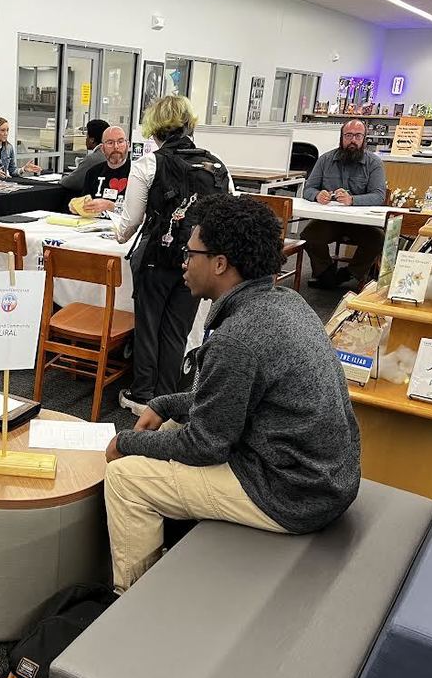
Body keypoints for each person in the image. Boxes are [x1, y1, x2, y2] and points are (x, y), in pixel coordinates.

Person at [103, 194, 361, 592]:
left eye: (190, 253)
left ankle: (132, 601)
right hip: (324, 477)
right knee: (168, 425)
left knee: (125, 477)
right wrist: (164, 403)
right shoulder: (285, 301)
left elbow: (207, 445)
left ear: (220, 263)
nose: (183, 263)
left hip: (292, 494)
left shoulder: (237, 339)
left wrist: (126, 442)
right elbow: (230, 397)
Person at [110, 95, 233, 415]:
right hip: (199, 263)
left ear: (154, 127)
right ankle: (166, 399)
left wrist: (114, 227)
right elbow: (227, 216)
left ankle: (141, 395)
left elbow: (128, 226)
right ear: (189, 124)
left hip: (156, 259)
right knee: (177, 329)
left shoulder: (148, 164)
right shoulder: (218, 166)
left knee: (148, 326)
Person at [301, 119, 387, 289]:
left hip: (361, 223)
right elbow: (308, 188)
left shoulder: (374, 163)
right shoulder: (325, 159)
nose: (353, 140)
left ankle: (349, 273)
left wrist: (353, 200)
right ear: (341, 138)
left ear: (364, 138)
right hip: (329, 220)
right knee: (309, 235)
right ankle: (325, 272)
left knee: (378, 239)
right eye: (348, 135)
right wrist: (317, 195)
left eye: (357, 136)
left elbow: (379, 196)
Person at [71, 125, 131, 216]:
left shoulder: (138, 173)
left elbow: (141, 214)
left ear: (128, 145)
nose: (116, 147)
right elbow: (85, 203)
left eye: (120, 142)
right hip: (95, 225)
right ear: (102, 149)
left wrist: (111, 206)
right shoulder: (93, 173)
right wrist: (78, 207)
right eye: (110, 143)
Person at [59, 118, 110, 193]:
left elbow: (71, 182)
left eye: (87, 136)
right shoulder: (109, 155)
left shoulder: (92, 159)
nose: (86, 139)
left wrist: (63, 178)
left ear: (92, 139)